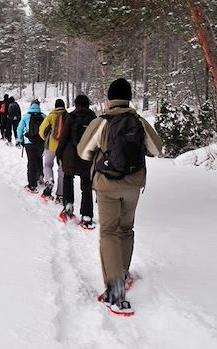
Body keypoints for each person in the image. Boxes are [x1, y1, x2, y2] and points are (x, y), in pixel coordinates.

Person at [77, 78, 162, 315]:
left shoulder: (102, 122)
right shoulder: (139, 121)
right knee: (126, 229)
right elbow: (157, 149)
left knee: (109, 232)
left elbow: (83, 152)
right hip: (133, 185)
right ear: (128, 97)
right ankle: (122, 274)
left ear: (109, 98)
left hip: (107, 185)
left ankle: (115, 289)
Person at [55, 94, 97, 228]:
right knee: (86, 186)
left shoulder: (71, 117)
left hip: (70, 156)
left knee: (68, 179)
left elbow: (64, 137)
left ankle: (68, 205)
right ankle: (87, 215)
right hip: (87, 157)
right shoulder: (94, 119)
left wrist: (59, 153)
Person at [38, 98, 68, 201]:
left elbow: (41, 131)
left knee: (47, 165)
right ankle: (60, 195)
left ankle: (49, 180)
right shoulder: (68, 116)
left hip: (51, 146)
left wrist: (46, 138)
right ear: (64, 106)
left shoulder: (51, 116)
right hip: (64, 147)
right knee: (62, 169)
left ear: (55, 106)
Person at [17, 99, 45, 192]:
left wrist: (21, 140)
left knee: (31, 163)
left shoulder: (26, 116)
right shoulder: (44, 116)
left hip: (29, 143)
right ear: (39, 106)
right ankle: (40, 176)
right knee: (39, 159)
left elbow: (19, 129)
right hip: (41, 142)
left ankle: (32, 185)